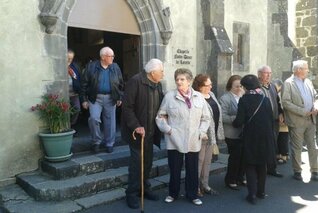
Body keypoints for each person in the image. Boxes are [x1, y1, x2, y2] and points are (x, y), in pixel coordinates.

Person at [156, 68, 210, 206]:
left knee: (192, 168)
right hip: (175, 139)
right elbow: (161, 116)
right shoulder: (169, 96)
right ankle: (173, 193)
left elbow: (206, 118)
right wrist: (169, 131)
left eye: (182, 79)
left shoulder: (199, 97)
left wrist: (201, 132)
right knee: (174, 168)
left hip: (193, 138)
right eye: (177, 79)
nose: (179, 82)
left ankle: (192, 194)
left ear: (189, 81)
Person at [121, 58, 164, 209]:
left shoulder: (158, 84)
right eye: (161, 72)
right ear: (152, 73)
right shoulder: (135, 81)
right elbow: (127, 107)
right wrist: (136, 126)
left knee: (148, 162)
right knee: (136, 164)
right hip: (137, 133)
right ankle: (131, 194)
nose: (163, 74)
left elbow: (162, 102)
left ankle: (144, 189)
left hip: (151, 132)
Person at [233, 74, 276, 205]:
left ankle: (251, 194)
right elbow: (271, 119)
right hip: (266, 137)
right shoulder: (265, 99)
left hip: (251, 137)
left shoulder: (244, 100)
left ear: (245, 87)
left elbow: (239, 121)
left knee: (250, 165)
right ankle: (261, 192)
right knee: (262, 164)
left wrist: (233, 123)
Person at [80, 47, 124, 153]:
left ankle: (109, 143)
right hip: (95, 98)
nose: (113, 58)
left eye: (113, 56)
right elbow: (83, 84)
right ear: (103, 57)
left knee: (110, 122)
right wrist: (84, 99)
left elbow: (121, 83)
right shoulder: (91, 67)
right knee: (94, 119)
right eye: (111, 56)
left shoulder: (115, 67)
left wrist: (119, 97)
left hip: (111, 97)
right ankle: (96, 142)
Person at [281, 60, 318, 181]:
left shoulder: (308, 81)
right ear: (298, 70)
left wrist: (316, 105)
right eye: (306, 68)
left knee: (313, 146)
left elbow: (315, 96)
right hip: (297, 120)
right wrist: (302, 111)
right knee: (297, 147)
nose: (308, 70)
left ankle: (315, 171)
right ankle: (297, 171)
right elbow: (285, 102)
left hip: (311, 119)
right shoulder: (288, 83)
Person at [192, 74, 224, 197]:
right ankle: (195, 187)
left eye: (211, 84)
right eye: (207, 85)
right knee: (199, 162)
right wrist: (202, 131)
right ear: (199, 86)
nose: (210, 87)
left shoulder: (212, 95)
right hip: (201, 135)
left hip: (212, 134)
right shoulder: (196, 97)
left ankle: (205, 185)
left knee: (207, 162)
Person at [219, 75, 246, 190]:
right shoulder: (225, 98)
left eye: (240, 86)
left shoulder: (244, 96)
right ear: (230, 86)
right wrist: (237, 118)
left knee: (243, 156)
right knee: (235, 156)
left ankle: (240, 177)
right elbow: (222, 116)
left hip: (244, 132)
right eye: (236, 86)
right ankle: (230, 179)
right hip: (232, 132)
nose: (239, 88)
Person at [258, 65, 284, 178]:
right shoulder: (256, 88)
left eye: (270, 73)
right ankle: (261, 169)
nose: (268, 75)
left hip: (274, 121)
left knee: (273, 145)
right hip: (263, 122)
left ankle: (272, 168)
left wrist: (280, 113)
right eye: (265, 73)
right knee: (263, 145)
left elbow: (278, 102)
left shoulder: (273, 86)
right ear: (259, 74)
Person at [272, 79, 289, 164]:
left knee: (283, 138)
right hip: (279, 119)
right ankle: (280, 154)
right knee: (281, 138)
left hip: (282, 120)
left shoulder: (280, 93)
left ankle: (283, 155)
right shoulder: (277, 93)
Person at [67, 49, 81, 128]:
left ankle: (72, 125)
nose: (69, 60)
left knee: (77, 109)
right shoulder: (60, 66)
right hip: (64, 94)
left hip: (74, 93)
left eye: (71, 58)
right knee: (65, 111)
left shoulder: (75, 67)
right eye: (68, 58)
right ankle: (66, 127)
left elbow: (78, 78)